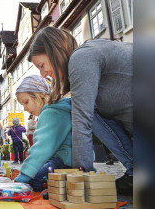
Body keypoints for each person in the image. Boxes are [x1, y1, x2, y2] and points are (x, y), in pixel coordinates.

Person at [28, 26, 133, 194]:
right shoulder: (86, 57)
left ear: (55, 50)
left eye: (41, 65)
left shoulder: (81, 58)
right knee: (88, 109)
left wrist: (81, 181)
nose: (42, 74)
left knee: (84, 112)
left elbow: (82, 122)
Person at [13, 75, 72, 191]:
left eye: (26, 102)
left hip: (63, 161)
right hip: (68, 160)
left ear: (40, 95)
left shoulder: (50, 112)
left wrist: (23, 176)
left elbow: (41, 149)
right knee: (37, 174)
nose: (25, 108)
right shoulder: (56, 108)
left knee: (33, 181)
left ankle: (56, 187)